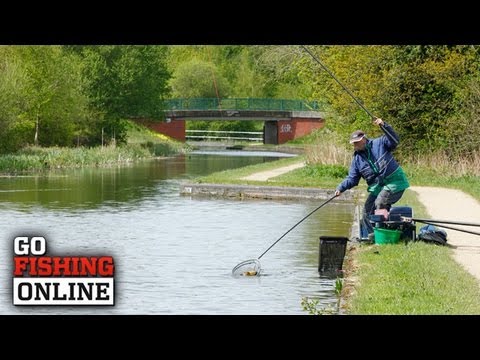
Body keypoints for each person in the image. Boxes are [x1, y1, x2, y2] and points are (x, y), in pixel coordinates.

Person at [334, 118, 410, 240]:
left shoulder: (380, 143)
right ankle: (372, 236)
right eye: (354, 143)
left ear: (364, 139)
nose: (355, 145)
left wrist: (384, 125)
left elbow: (395, 140)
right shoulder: (357, 160)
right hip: (378, 187)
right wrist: (340, 188)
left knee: (380, 202)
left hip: (395, 181)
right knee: (366, 212)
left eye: (357, 142)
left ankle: (384, 234)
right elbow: (352, 178)